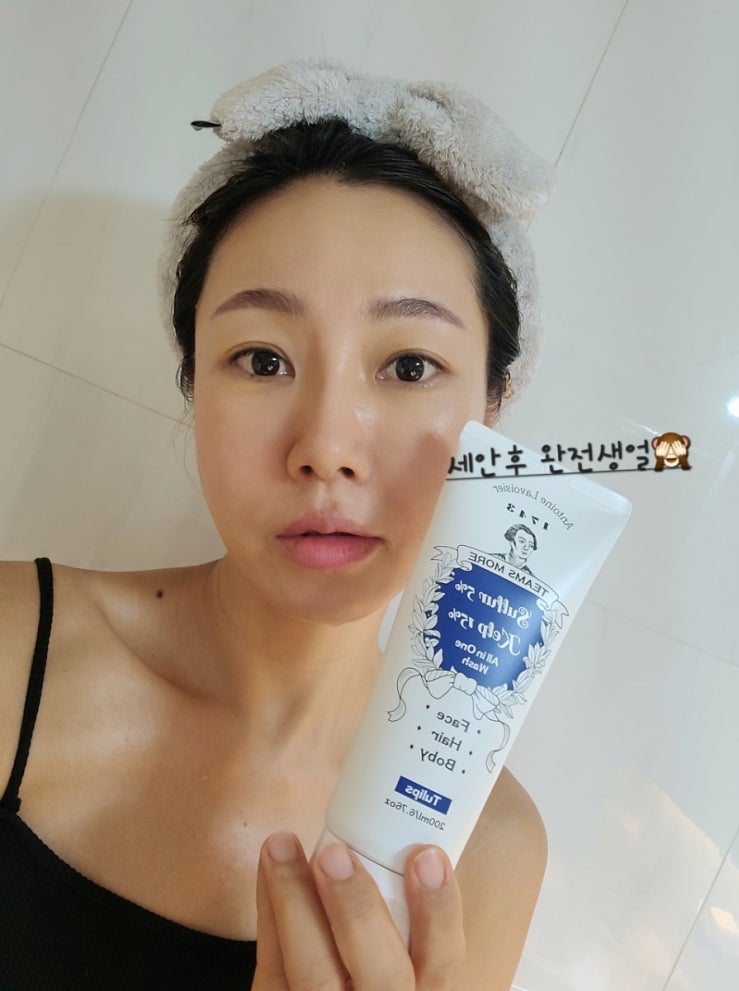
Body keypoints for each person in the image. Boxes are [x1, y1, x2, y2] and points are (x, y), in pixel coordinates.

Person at [0, 59, 552, 989]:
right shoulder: (13, 646)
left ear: (489, 415)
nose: (326, 448)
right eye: (262, 359)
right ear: (193, 382)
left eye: (409, 366)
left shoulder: (481, 852)